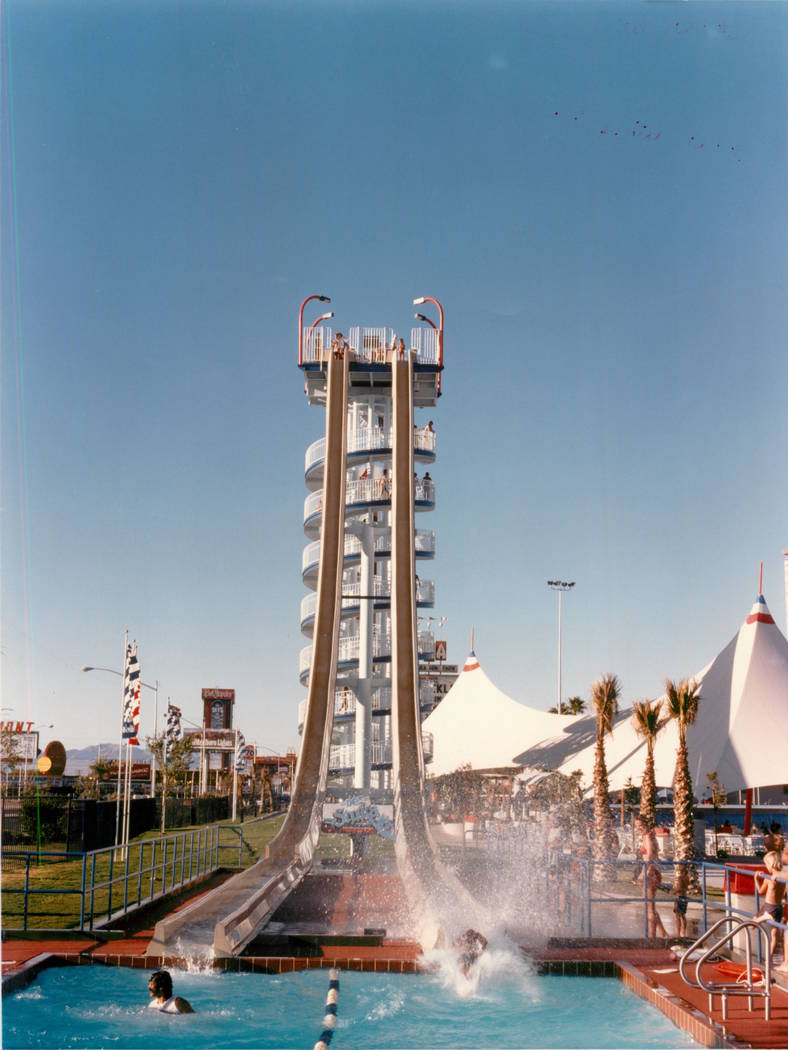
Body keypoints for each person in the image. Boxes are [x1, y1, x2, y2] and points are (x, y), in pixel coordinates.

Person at [636, 819, 668, 939]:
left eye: (640, 825)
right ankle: (662, 932)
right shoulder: (647, 836)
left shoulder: (648, 837)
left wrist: (643, 873)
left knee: (649, 908)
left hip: (650, 873)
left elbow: (649, 856)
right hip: (651, 871)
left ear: (646, 825)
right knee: (650, 906)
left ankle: (651, 937)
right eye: (637, 826)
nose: (638, 828)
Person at [754, 849, 787, 962]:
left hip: (769, 907)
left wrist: (756, 879)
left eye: (766, 864)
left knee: (753, 923)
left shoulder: (769, 878)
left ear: (770, 865)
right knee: (774, 936)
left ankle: (766, 916)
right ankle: (769, 959)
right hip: (778, 908)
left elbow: (760, 891)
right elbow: (784, 894)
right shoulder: (782, 878)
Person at [673, 863, 689, 938]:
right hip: (684, 897)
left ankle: (678, 933)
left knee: (677, 916)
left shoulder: (679, 878)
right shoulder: (686, 877)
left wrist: (673, 891)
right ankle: (683, 931)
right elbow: (684, 887)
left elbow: (678, 889)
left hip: (679, 897)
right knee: (682, 915)